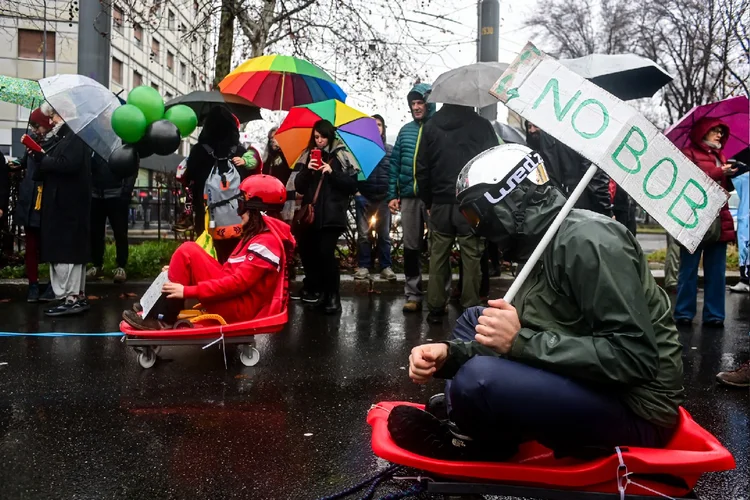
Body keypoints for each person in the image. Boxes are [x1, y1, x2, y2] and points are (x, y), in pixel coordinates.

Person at [388, 144, 684, 462]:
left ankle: (472, 444)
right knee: (478, 321)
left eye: (476, 215)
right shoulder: (542, 244)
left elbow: (634, 358)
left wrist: (518, 342)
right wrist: (450, 355)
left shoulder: (589, 241)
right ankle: (477, 418)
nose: (477, 229)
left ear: (509, 200)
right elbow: (543, 331)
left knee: (478, 379)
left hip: (636, 411)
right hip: (600, 389)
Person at [122, 175, 294, 330]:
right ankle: (153, 307)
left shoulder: (267, 243)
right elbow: (229, 272)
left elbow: (237, 283)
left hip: (238, 310)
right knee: (187, 252)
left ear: (258, 211)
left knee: (187, 251)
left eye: (242, 206)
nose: (238, 212)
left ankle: (162, 320)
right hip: (235, 301)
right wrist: (184, 271)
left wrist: (187, 291)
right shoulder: (258, 237)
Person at [416, 104, 498, 323]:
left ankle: (435, 309)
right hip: (470, 203)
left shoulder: (431, 126)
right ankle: (470, 309)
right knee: (472, 256)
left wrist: (428, 200)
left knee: (438, 257)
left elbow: (421, 167)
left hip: (440, 203)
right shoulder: (481, 126)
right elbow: (494, 163)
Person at [31, 101, 92, 316]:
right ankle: (73, 296)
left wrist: (43, 159)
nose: (51, 121)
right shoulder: (64, 137)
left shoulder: (75, 136)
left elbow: (68, 164)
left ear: (64, 114)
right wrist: (39, 156)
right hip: (63, 205)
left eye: (54, 116)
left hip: (69, 206)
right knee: (66, 253)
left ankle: (72, 297)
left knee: (68, 254)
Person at [674, 118, 737, 327]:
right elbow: (690, 179)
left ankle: (715, 315)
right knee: (688, 270)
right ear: (702, 132)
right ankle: (683, 313)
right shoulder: (688, 153)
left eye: (721, 131)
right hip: (694, 218)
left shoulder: (721, 156)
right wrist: (721, 172)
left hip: (719, 219)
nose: (719, 135)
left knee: (717, 273)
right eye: (714, 131)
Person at [294, 120, 359, 314]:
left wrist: (333, 173)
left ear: (330, 136)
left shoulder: (342, 155)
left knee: (326, 255)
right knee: (313, 256)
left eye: (322, 136)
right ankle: (322, 294)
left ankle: (333, 297)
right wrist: (309, 170)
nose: (319, 140)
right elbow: (299, 185)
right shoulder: (308, 156)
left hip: (332, 215)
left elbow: (352, 185)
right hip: (312, 215)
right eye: (316, 137)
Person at [387, 83, 434, 313]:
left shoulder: (437, 128)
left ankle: (437, 296)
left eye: (420, 103)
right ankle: (413, 294)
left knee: (438, 248)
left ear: (429, 104)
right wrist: (392, 195)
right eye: (413, 104)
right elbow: (394, 164)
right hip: (408, 197)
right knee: (411, 247)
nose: (416, 107)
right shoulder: (405, 131)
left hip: (433, 200)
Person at [183, 106, 250, 263]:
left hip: (206, 213)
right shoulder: (239, 151)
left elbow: (190, 175)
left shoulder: (199, 151)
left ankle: (211, 280)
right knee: (235, 251)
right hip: (236, 215)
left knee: (207, 250)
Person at [12, 108, 58, 302]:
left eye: (37, 125)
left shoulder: (55, 142)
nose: (35, 130)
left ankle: (52, 285)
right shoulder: (30, 141)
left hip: (45, 198)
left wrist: (39, 153)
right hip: (29, 198)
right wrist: (17, 164)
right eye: (33, 126)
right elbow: (24, 163)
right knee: (30, 244)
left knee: (49, 246)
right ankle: (32, 284)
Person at [525, 121, 613, 217]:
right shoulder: (534, 152)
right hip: (571, 210)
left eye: (536, 126)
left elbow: (594, 178)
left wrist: (606, 210)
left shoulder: (569, 143)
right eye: (529, 126)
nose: (532, 130)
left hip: (574, 207)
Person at [353, 114, 396, 282]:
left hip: (384, 199)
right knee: (363, 234)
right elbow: (352, 171)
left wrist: (393, 195)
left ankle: (386, 266)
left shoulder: (390, 150)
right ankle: (364, 266)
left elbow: (394, 174)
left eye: (379, 124)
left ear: (383, 128)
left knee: (384, 235)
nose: (376, 127)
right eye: (372, 124)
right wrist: (356, 192)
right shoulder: (360, 150)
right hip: (364, 197)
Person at [87, 151, 136, 283]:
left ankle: (121, 266)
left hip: (116, 195)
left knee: (120, 232)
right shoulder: (94, 146)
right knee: (95, 233)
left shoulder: (122, 144)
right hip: (96, 194)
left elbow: (132, 167)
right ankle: (97, 265)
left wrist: (126, 191)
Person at [729, 170, 748, 293]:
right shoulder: (743, 173)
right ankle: (745, 279)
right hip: (745, 217)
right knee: (745, 249)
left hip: (745, 216)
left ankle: (745, 279)